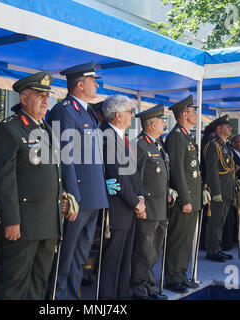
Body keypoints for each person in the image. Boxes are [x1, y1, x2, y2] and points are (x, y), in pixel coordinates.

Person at [0, 72, 70, 300]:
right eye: (39, 95)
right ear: (23, 99)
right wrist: (11, 221)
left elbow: (52, 174)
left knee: (38, 283)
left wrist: (62, 197)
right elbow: (4, 181)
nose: (45, 100)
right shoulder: (10, 129)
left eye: (47, 95)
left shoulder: (46, 129)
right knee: (14, 285)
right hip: (24, 224)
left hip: (48, 221)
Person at [47, 61, 109, 300]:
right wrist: (71, 195)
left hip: (93, 196)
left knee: (80, 255)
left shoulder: (87, 111)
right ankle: (58, 298)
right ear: (80, 84)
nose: (96, 85)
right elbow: (65, 157)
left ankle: (71, 297)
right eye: (93, 81)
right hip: (79, 197)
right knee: (66, 255)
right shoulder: (64, 110)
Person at [98, 95, 144, 299]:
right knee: (112, 262)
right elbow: (117, 175)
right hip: (118, 208)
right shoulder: (106, 135)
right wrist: (136, 203)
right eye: (129, 112)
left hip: (130, 207)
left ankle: (122, 296)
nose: (132, 116)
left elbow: (134, 172)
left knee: (125, 259)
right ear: (117, 115)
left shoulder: (120, 136)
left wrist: (140, 198)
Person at [130, 104, 172, 300]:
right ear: (152, 124)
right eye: (162, 121)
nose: (165, 124)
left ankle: (149, 286)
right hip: (148, 207)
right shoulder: (139, 145)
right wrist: (140, 204)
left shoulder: (157, 144)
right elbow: (134, 177)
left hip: (161, 207)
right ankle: (139, 289)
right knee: (144, 251)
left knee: (154, 251)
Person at [163, 95, 203, 294]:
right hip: (183, 200)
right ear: (184, 114)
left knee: (187, 239)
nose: (196, 114)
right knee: (178, 239)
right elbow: (177, 171)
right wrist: (186, 199)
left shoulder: (186, 135)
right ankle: (172, 277)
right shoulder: (177, 136)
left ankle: (181, 274)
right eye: (193, 111)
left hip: (192, 198)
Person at [203, 115, 236, 262]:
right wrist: (215, 192)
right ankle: (212, 250)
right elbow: (212, 170)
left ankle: (217, 247)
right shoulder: (213, 145)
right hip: (218, 190)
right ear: (218, 128)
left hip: (227, 188)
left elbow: (229, 168)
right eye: (226, 126)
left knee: (221, 221)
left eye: (230, 126)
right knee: (215, 221)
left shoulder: (225, 145)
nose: (230, 128)